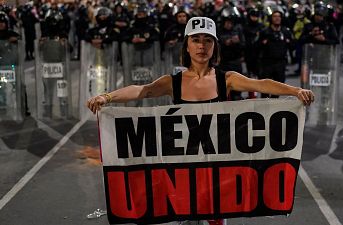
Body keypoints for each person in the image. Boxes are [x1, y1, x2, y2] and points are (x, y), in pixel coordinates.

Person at [86, 16, 314, 225]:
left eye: (207, 40)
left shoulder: (227, 79)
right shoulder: (172, 82)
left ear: (215, 46)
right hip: (184, 170)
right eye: (196, 40)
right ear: (186, 44)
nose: (202, 46)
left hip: (217, 170)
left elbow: (261, 84)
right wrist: (106, 96)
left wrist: (295, 91)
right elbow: (142, 90)